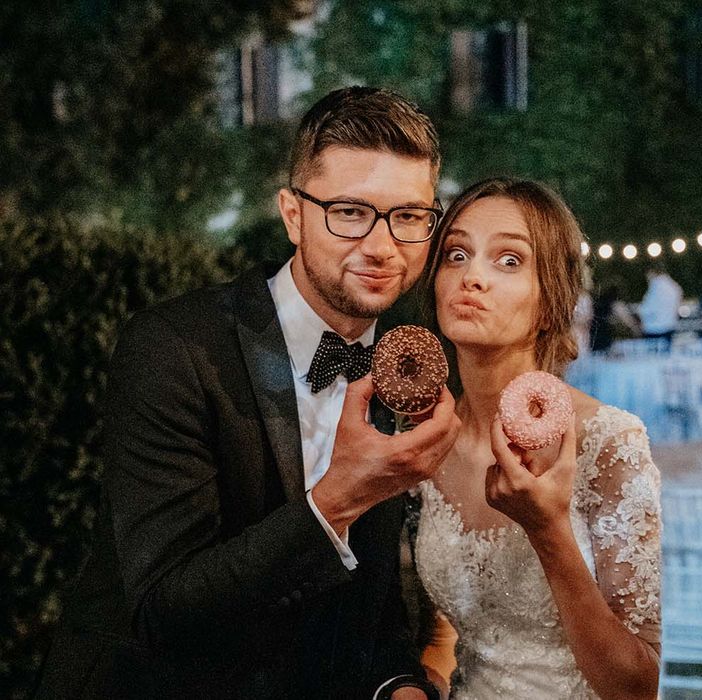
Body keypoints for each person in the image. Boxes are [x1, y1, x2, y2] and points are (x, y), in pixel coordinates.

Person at [33, 87, 461, 700]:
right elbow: (163, 609)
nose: (382, 245)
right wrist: (338, 499)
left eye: (409, 216)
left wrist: (398, 685)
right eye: (349, 211)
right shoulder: (175, 347)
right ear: (293, 215)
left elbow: (367, 611)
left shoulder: (406, 361)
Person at [412, 178, 662, 699]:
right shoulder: (427, 439)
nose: (472, 276)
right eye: (456, 254)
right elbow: (440, 632)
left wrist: (548, 531)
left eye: (508, 261)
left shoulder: (608, 441)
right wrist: (420, 684)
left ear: (550, 302)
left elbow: (638, 687)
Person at [637, 261, 683, 349]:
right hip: (670, 325)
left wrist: (640, 312)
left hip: (654, 328)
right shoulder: (674, 286)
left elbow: (647, 308)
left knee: (654, 358)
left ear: (652, 272)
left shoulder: (656, 285)